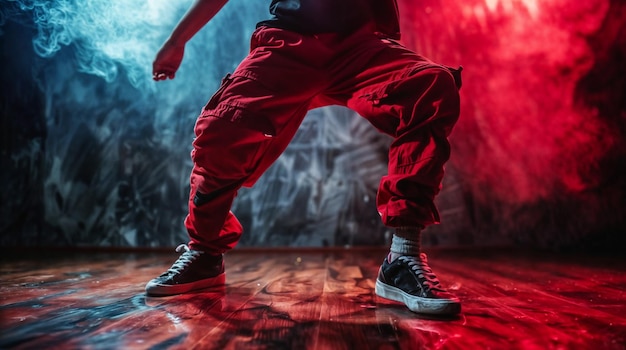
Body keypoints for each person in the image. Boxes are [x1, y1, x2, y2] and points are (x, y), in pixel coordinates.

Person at [146, 0, 462, 316]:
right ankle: (204, 253)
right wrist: (177, 40)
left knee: (431, 85)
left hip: (361, 45)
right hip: (289, 42)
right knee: (221, 127)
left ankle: (402, 257)